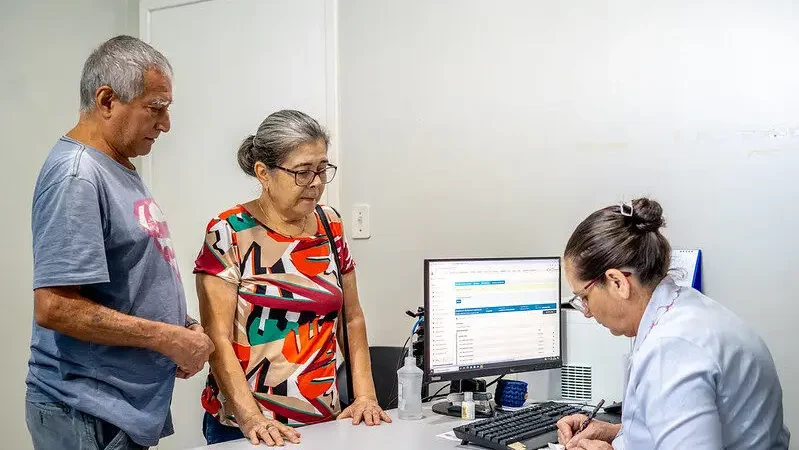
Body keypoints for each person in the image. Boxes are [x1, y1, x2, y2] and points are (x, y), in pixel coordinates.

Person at [26, 36, 214, 450]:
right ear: (108, 100)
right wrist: (167, 339)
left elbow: (128, 276)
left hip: (115, 409)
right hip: (85, 411)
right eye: (156, 108)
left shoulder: (116, 166)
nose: (165, 125)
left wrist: (179, 327)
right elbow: (55, 306)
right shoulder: (77, 175)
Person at [195, 109, 390, 446]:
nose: (315, 183)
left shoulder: (330, 225)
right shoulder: (229, 232)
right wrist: (253, 419)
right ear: (263, 173)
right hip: (248, 429)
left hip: (324, 421)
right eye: (302, 172)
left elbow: (352, 317)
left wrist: (365, 396)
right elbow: (218, 339)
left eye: (322, 170)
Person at [555, 198, 790, 450]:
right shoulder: (687, 309)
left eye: (584, 297)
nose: (587, 312)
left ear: (617, 283)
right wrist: (617, 433)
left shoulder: (672, 347)